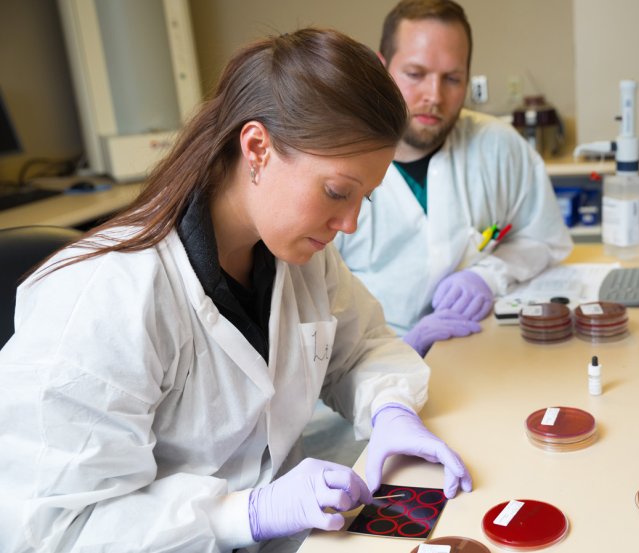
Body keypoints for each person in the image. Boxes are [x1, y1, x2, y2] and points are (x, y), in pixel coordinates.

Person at [0, 29, 470, 553]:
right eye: (337, 191)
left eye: (365, 198)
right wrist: (242, 512)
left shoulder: (302, 258)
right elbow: (54, 531)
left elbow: (359, 348)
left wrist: (390, 411)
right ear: (257, 148)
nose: (351, 222)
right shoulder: (106, 295)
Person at [335, 0, 574, 357]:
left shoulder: (498, 147)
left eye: (452, 78)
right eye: (415, 74)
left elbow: (544, 238)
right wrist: (399, 354)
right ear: (381, 68)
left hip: (480, 352)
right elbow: (310, 322)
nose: (434, 96)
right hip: (362, 376)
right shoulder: (335, 168)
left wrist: (488, 275)